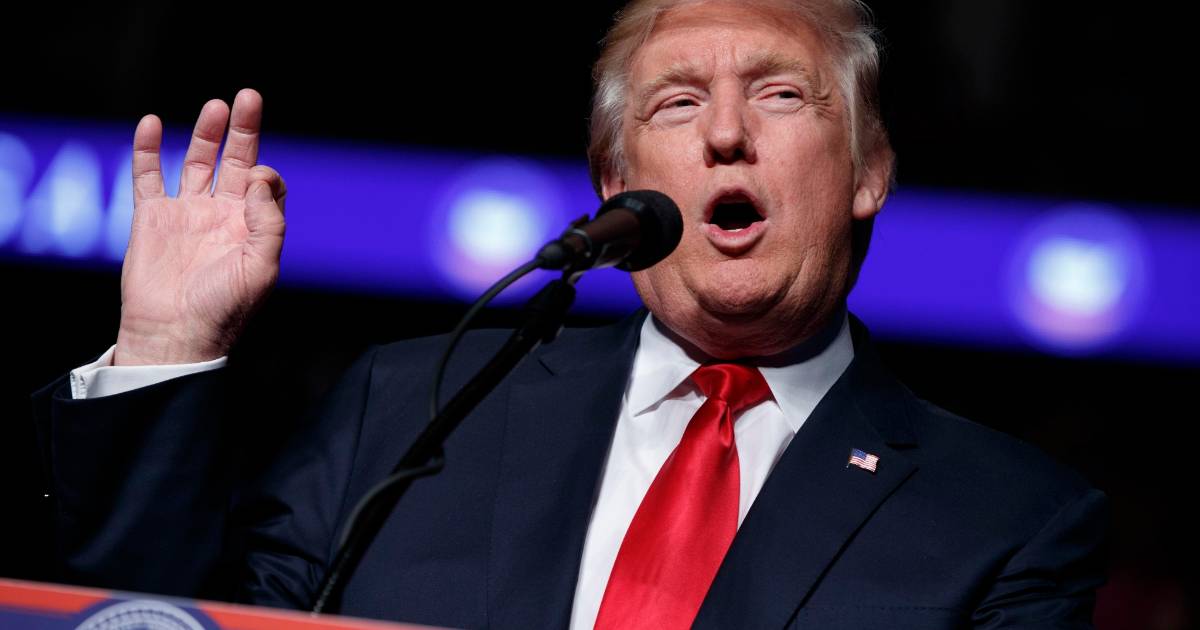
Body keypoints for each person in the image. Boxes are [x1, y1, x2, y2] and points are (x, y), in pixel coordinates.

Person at [33, 0, 1108, 628]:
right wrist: (166, 346)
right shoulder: (412, 406)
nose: (725, 134)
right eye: (677, 102)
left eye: (781, 93)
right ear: (614, 182)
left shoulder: (1010, 521)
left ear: (869, 170)